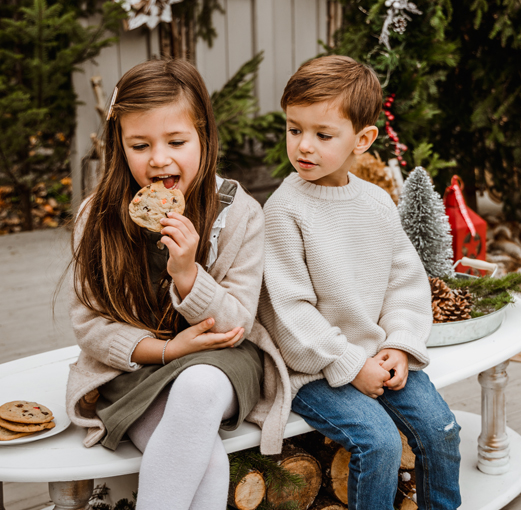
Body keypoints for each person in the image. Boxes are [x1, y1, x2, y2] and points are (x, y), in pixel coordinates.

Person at [64, 58, 291, 510]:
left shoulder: (239, 213)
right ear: (120, 145)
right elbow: (89, 325)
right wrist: (167, 350)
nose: (159, 158)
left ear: (204, 137)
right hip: (136, 369)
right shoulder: (97, 217)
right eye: (140, 144)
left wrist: (187, 273)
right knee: (202, 461)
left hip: (221, 360)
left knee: (197, 387)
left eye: (176, 141)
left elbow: (237, 323)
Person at [258, 55, 462, 510]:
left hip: (375, 354)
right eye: (294, 130)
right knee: (380, 443)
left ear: (363, 139)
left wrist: (401, 343)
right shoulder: (283, 210)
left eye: (322, 135)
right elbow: (289, 314)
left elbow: (404, 282)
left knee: (440, 427)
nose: (303, 146)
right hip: (310, 370)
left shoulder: (375, 202)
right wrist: (352, 364)